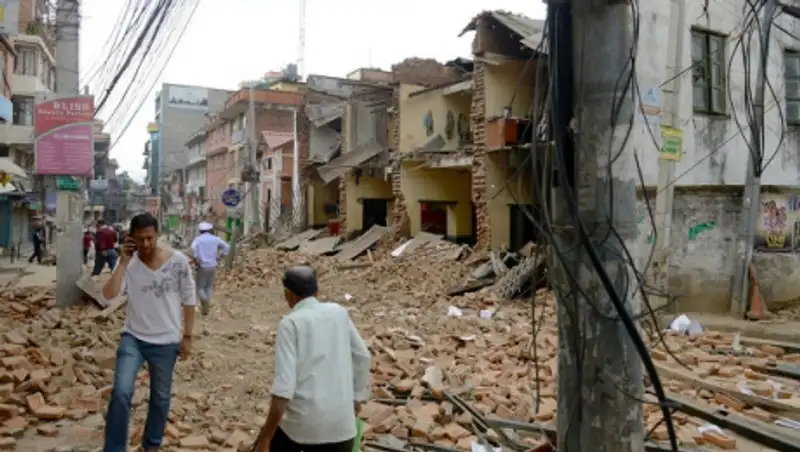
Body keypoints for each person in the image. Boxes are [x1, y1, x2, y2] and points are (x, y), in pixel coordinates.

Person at [101, 213, 197, 452]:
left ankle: (151, 445)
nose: (145, 244)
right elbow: (109, 295)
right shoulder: (129, 265)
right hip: (133, 338)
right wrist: (123, 263)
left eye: (150, 238)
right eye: (140, 239)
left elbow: (189, 298)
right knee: (121, 392)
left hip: (166, 340)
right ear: (131, 238)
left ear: (157, 235)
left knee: (161, 398)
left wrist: (187, 336)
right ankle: (114, 448)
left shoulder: (178, 262)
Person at [253, 266, 371, 452]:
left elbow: (284, 389)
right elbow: (363, 356)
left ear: (288, 295)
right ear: (317, 292)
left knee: (266, 442)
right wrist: (357, 397)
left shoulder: (290, 323)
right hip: (343, 429)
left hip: (302, 432)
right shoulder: (338, 312)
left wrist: (265, 438)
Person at [190, 221, 230, 316]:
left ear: (200, 231)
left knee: (199, 287)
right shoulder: (215, 239)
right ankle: (206, 306)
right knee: (208, 286)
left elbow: (193, 248)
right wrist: (222, 255)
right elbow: (227, 246)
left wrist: (196, 259)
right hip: (213, 265)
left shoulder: (198, 240)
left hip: (202, 266)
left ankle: (205, 301)